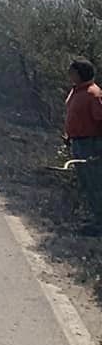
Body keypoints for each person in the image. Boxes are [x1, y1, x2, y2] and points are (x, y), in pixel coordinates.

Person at [63, 57, 102, 222]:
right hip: (78, 142)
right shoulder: (76, 91)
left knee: (95, 184)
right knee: (86, 183)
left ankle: (99, 221)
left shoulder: (93, 94)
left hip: (90, 145)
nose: (69, 74)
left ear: (80, 73)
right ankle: (94, 217)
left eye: (72, 71)